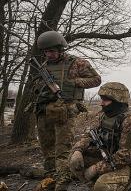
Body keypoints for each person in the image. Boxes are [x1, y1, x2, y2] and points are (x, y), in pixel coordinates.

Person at [33, 31, 101, 191]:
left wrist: (74, 83)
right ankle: (50, 181)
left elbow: (96, 79)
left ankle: (62, 184)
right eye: (46, 52)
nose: (48, 54)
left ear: (60, 49)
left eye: (51, 51)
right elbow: (38, 86)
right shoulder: (44, 66)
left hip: (66, 110)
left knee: (63, 150)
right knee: (47, 149)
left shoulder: (77, 63)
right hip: (45, 110)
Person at [69, 82, 131, 191]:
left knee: (102, 186)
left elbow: (125, 156)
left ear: (117, 101)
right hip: (108, 157)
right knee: (74, 161)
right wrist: (78, 150)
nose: (101, 103)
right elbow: (91, 134)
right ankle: (93, 187)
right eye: (101, 99)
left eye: (105, 100)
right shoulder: (105, 116)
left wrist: (95, 169)